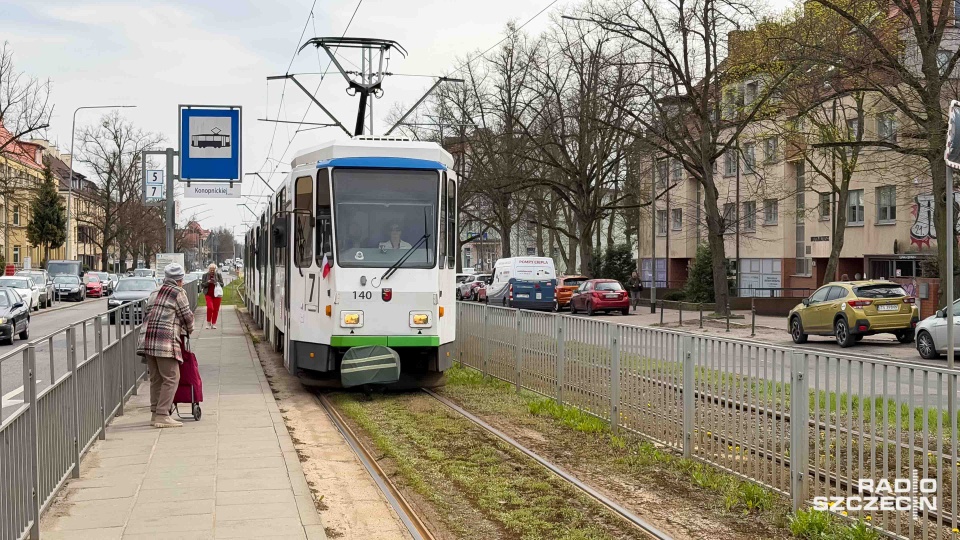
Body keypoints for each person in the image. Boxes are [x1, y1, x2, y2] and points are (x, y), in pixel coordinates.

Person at [137, 263, 195, 428]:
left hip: (147, 340)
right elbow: (187, 317)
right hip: (164, 341)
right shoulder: (178, 293)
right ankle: (163, 415)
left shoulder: (155, 291)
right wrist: (189, 330)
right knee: (171, 377)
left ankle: (155, 414)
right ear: (180, 280)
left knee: (156, 378)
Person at [204, 263, 225, 329]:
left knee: (216, 309)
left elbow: (222, 284)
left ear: (215, 269)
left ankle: (213, 323)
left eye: (213, 270)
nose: (212, 271)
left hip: (217, 295)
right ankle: (208, 322)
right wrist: (208, 282)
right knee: (210, 308)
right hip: (208, 294)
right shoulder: (205, 275)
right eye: (211, 270)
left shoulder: (218, 275)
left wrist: (216, 282)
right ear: (209, 269)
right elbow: (202, 284)